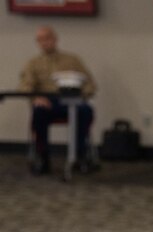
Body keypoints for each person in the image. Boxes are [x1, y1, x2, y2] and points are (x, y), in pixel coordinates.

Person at [18, 25, 96, 174]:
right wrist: (35, 98)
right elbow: (25, 86)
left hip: (70, 100)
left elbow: (89, 83)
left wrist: (81, 95)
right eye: (40, 40)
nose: (44, 43)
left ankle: (80, 154)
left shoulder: (72, 60)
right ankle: (42, 156)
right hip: (47, 102)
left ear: (55, 39)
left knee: (85, 111)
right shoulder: (33, 63)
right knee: (39, 112)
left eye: (47, 39)